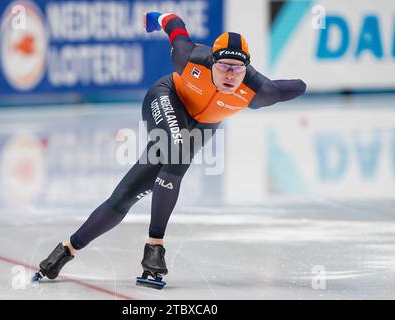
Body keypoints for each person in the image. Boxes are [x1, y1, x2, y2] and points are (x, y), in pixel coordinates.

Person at [33, 12, 306, 289]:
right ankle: (155, 247)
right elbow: (174, 22)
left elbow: (297, 86)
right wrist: (154, 18)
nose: (230, 75)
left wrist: (300, 83)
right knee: (176, 149)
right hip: (167, 96)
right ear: (212, 60)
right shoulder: (189, 57)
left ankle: (67, 249)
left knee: (126, 195)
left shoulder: (260, 91)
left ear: (247, 68)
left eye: (237, 68)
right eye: (223, 66)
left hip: (202, 126)